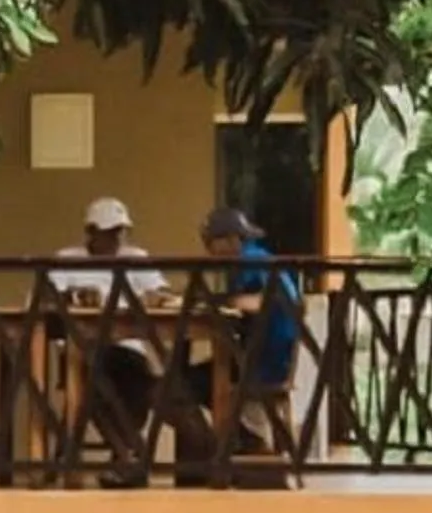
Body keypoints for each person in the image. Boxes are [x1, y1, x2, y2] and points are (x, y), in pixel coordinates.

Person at [47, 198, 167, 484]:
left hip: (126, 345)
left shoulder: (135, 257)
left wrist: (156, 296)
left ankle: (123, 458)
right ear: (90, 231)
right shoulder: (68, 259)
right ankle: (128, 456)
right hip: (81, 347)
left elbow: (161, 291)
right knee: (92, 383)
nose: (117, 238)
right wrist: (75, 295)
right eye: (110, 232)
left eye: (121, 231)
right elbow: (47, 297)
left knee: (143, 383)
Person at [178, 205, 302, 481]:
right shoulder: (261, 258)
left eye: (212, 243)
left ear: (231, 240)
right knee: (189, 382)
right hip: (271, 356)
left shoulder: (250, 261)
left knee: (180, 383)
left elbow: (257, 302)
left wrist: (217, 302)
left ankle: (241, 451)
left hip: (261, 360)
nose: (210, 252)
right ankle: (241, 448)